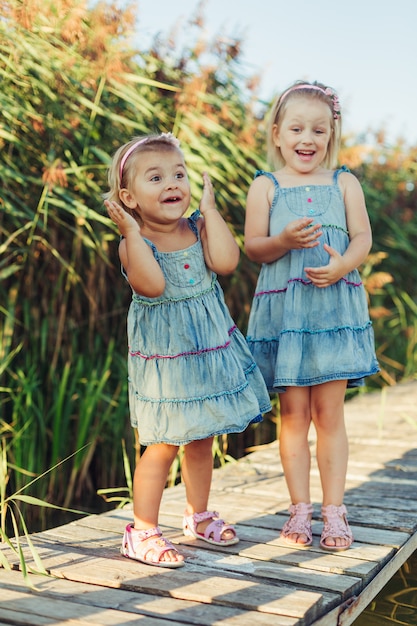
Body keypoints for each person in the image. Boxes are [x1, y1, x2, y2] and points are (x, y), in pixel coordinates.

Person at [104, 132, 271, 568]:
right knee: (161, 444)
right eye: (155, 177)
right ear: (129, 197)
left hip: (208, 350)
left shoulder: (197, 227)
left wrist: (211, 213)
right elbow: (153, 286)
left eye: (178, 174)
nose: (172, 184)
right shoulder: (133, 243)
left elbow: (227, 262)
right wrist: (130, 232)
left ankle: (198, 516)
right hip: (168, 362)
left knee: (203, 436)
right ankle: (141, 531)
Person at [245, 81, 380, 551]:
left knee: (329, 414)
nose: (308, 138)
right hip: (286, 315)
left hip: (332, 311)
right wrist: (282, 241)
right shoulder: (266, 186)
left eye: (318, 130)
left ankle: (334, 511)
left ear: (330, 134)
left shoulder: (344, 182)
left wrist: (344, 263)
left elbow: (362, 237)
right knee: (293, 415)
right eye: (297, 128)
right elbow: (254, 247)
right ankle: (299, 509)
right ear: (278, 134)